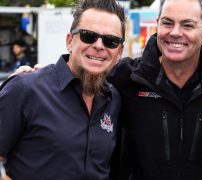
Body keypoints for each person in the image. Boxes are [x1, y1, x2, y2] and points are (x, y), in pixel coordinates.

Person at [108, 0, 202, 179]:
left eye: (188, 25)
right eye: (167, 23)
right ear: (157, 25)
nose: (175, 33)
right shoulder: (127, 78)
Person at [0, 0, 125, 179]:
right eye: (88, 35)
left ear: (119, 52)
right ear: (69, 41)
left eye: (110, 41)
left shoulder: (115, 100)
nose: (99, 45)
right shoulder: (25, 89)